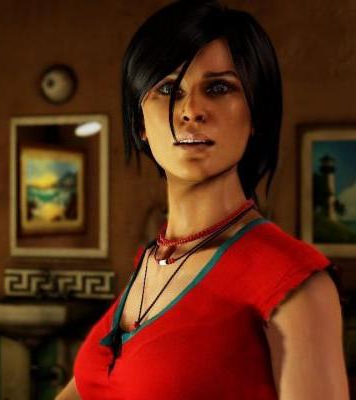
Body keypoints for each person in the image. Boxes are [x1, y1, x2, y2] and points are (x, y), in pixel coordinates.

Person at [56, 1, 350, 399]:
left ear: (256, 114)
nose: (191, 110)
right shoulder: (154, 261)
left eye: (218, 88)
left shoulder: (294, 281)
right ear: (140, 123)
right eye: (167, 89)